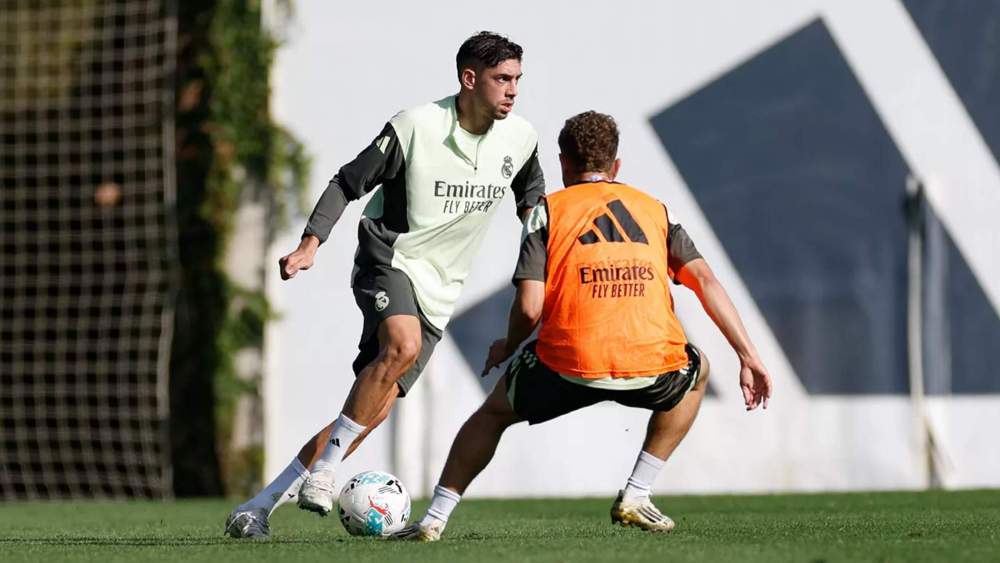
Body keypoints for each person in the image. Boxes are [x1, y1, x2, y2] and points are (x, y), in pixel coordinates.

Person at [393, 111, 773, 541]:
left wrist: (508, 345)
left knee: (491, 416)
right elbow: (705, 281)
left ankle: (434, 521)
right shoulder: (655, 211)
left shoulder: (547, 211)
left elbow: (531, 307)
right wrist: (749, 355)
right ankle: (636, 493)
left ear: (563, 163)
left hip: (567, 364)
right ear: (616, 166)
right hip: (652, 364)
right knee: (698, 371)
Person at [225, 31, 545, 539]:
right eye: (502, 79)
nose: (512, 90)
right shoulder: (415, 126)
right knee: (402, 343)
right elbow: (347, 182)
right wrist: (311, 244)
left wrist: (537, 270)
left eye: (517, 80)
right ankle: (325, 474)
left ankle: (258, 507)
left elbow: (533, 206)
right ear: (469, 79)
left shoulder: (521, 138)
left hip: (440, 290)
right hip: (389, 259)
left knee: (362, 416)